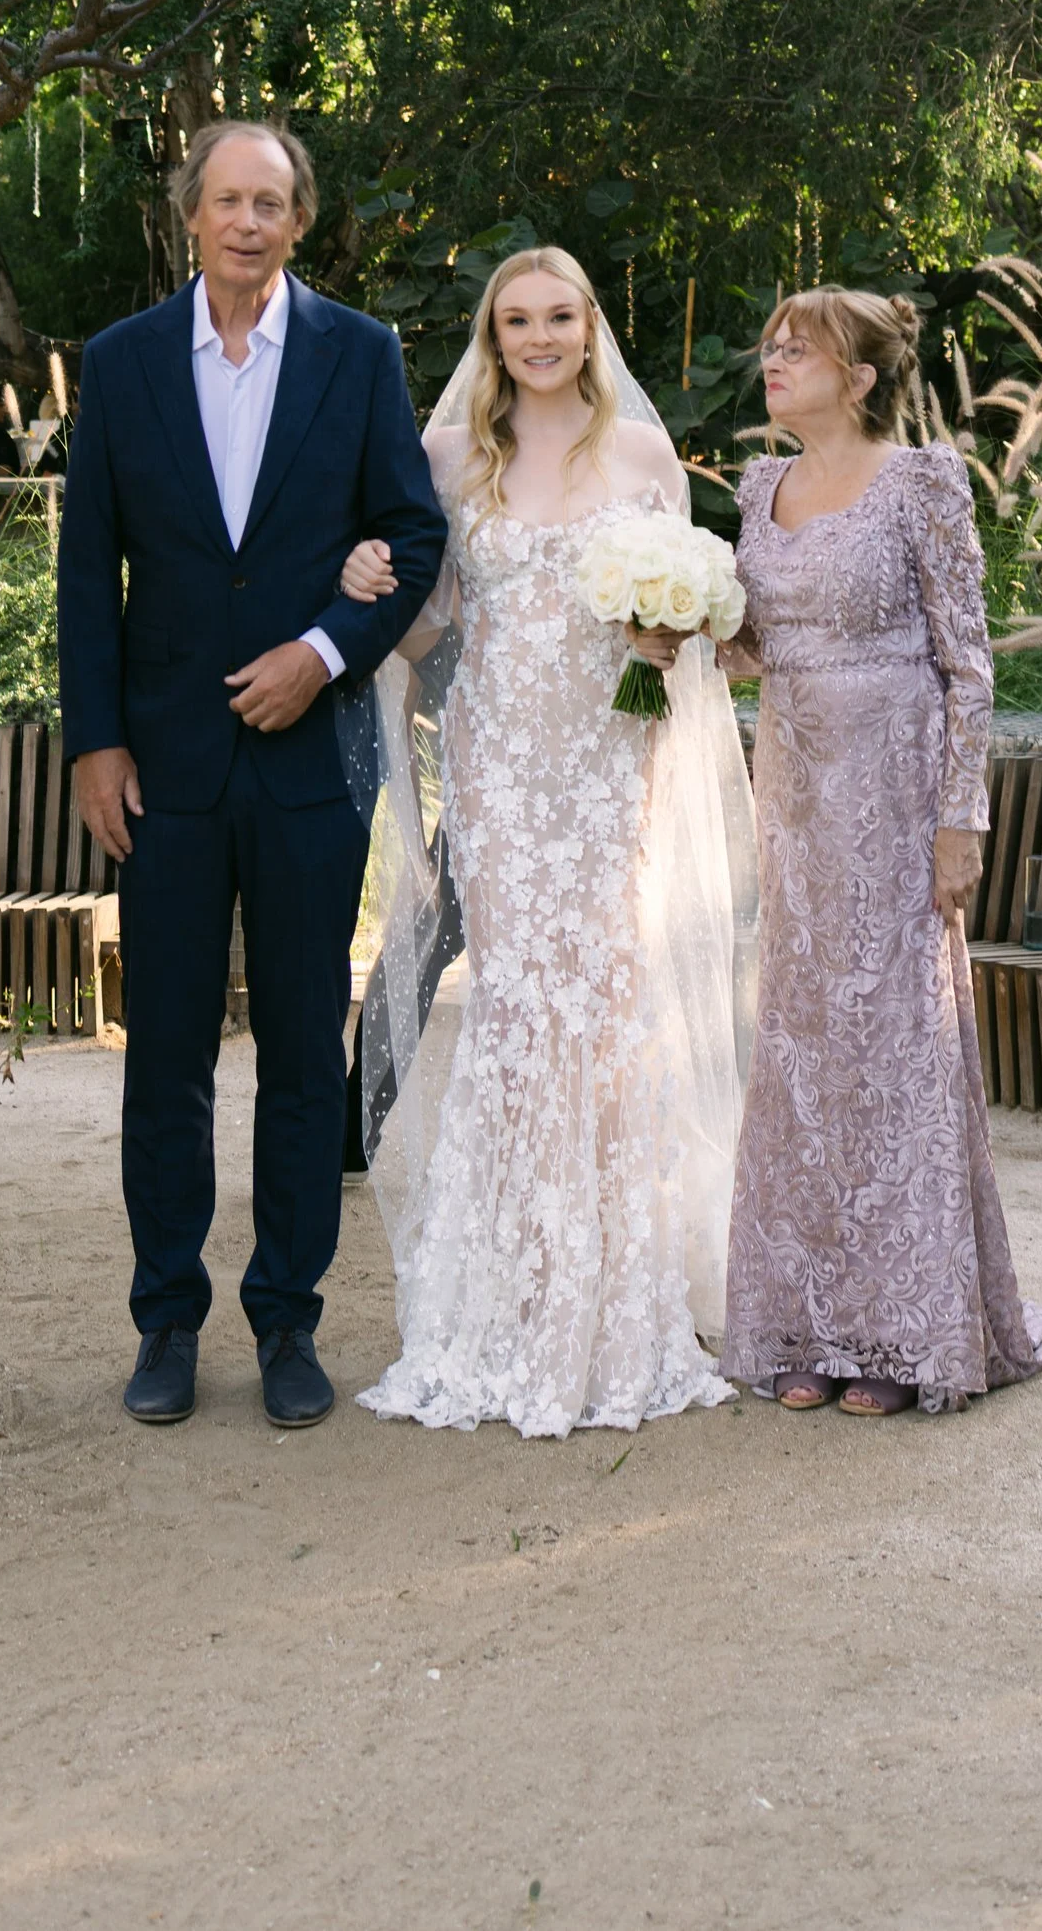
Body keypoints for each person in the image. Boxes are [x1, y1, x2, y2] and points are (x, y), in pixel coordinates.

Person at [59, 121, 447, 1432]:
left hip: (305, 777)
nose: (245, 220)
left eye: (269, 201)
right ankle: (165, 1322)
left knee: (296, 1054)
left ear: (296, 220)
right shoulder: (115, 370)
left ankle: (288, 1322)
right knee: (161, 1054)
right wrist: (94, 741)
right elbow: (86, 574)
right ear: (193, 216)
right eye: (226, 198)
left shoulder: (359, 356)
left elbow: (413, 525)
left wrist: (326, 653)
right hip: (159, 772)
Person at [335, 248, 755, 1439]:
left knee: (607, 992)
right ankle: (509, 1291)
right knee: (518, 996)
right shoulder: (450, 453)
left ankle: (617, 1296)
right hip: (506, 759)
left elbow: (690, 613)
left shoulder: (640, 453)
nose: (537, 336)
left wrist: (670, 628)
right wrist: (363, 573)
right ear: (492, 331)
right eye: (515, 319)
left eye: (557, 316)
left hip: (610, 756)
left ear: (588, 325)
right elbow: (428, 618)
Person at [720, 287, 1042, 1416]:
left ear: (858, 377)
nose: (774, 362)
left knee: (894, 1046)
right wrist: (679, 626)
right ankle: (808, 1321)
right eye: (771, 348)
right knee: (802, 1053)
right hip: (796, 799)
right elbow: (759, 647)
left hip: (897, 795)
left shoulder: (922, 482)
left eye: (797, 350)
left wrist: (962, 819)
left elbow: (971, 662)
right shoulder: (758, 488)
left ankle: (904, 1331)